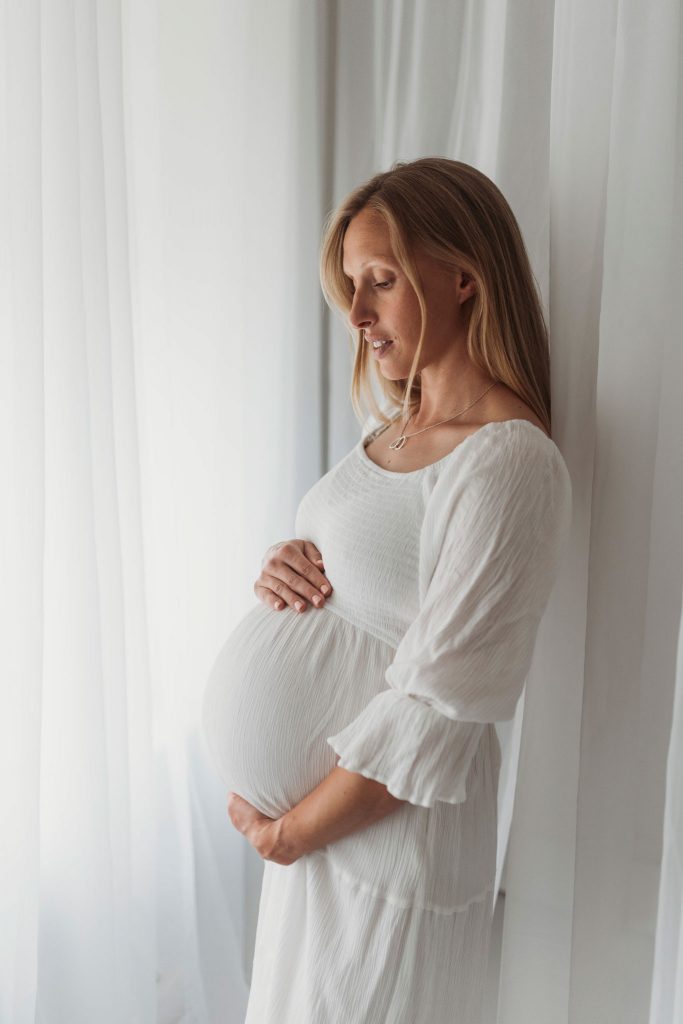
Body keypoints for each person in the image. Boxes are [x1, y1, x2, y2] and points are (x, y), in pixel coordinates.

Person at [201, 156, 573, 1023]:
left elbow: (440, 704)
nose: (357, 315)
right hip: (322, 848)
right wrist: (287, 560)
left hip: (385, 850)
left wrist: (289, 833)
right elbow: (367, 574)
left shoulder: (509, 460)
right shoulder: (399, 427)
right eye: (350, 286)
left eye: (380, 281)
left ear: (464, 280)